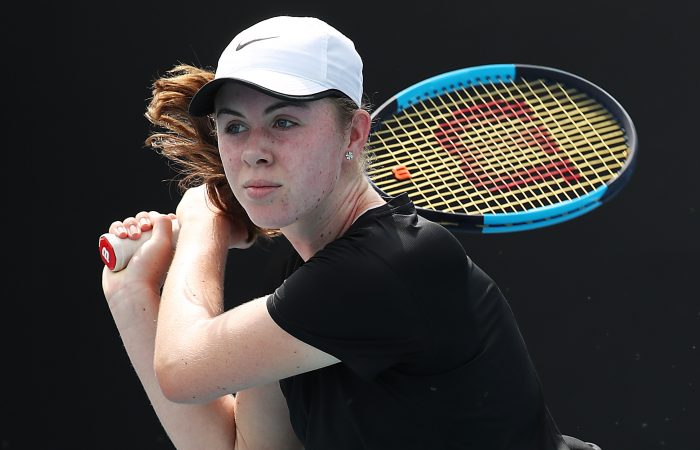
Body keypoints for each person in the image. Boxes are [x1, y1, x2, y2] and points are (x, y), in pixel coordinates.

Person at [101, 15, 598, 450]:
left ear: (354, 133)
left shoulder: (391, 264)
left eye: (285, 122)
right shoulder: (309, 283)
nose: (255, 149)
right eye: (234, 127)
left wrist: (202, 221)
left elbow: (184, 370)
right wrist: (131, 292)